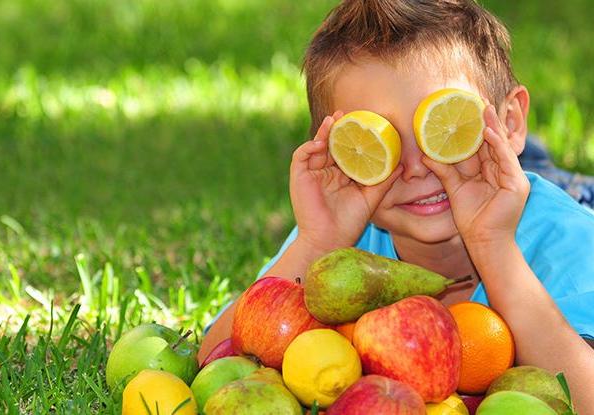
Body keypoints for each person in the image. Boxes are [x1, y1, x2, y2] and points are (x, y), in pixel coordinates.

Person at [198, 0, 594, 411]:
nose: (416, 168)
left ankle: (540, 162)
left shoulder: (571, 242)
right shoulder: (343, 246)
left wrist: (494, 243)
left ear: (510, 123)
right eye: (379, 139)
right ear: (339, 153)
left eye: (442, 132)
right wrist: (317, 241)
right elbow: (212, 360)